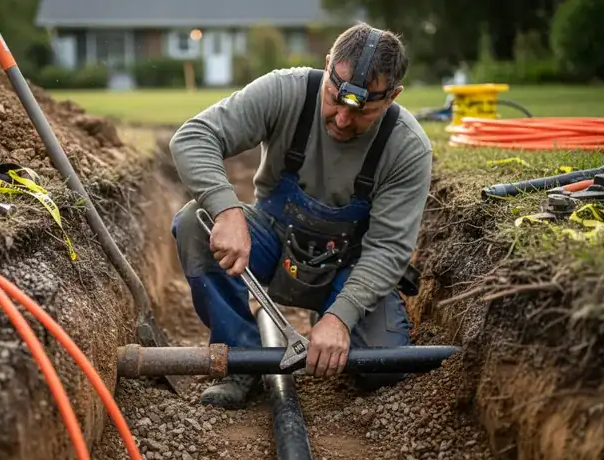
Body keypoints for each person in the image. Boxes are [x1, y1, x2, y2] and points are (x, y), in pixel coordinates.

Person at [169, 23, 433, 409]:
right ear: (327, 65)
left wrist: (340, 318)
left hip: (348, 268)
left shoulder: (407, 148)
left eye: (362, 111)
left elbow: (389, 249)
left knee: (383, 367)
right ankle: (242, 359)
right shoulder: (285, 91)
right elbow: (193, 137)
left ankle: (328, 320)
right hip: (272, 243)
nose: (342, 119)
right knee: (196, 221)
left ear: (393, 97)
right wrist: (225, 208)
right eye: (334, 97)